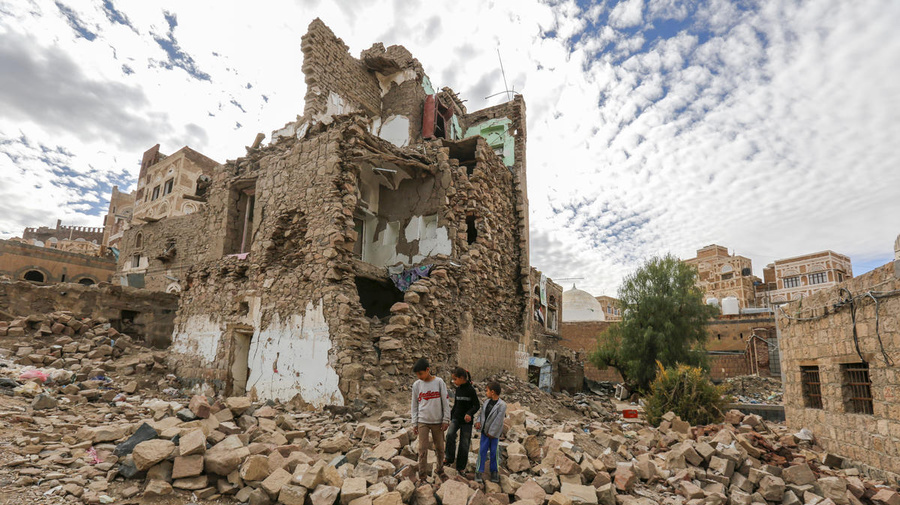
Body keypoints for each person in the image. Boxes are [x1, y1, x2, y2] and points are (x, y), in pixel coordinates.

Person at [410, 358, 450, 481]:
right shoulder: (417, 385)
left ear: (428, 370)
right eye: (417, 374)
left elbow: (445, 401)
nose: (419, 376)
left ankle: (440, 469)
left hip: (438, 421)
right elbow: (414, 405)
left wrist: (446, 419)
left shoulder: (439, 382)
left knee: (440, 447)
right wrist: (414, 422)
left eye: (421, 373)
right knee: (422, 449)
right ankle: (422, 475)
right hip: (423, 421)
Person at [445, 367, 480, 473]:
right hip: (456, 418)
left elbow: (477, 405)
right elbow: (456, 405)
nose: (454, 382)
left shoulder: (471, 390)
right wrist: (450, 417)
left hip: (467, 422)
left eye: (455, 379)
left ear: (462, 378)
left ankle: (460, 467)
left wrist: (469, 413)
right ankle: (449, 458)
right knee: (450, 435)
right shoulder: (458, 389)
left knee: (464, 444)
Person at [474, 381, 506, 483]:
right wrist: (478, 422)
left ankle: (494, 472)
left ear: (493, 392)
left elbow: (498, 420)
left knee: (494, 453)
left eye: (487, 391)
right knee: (482, 451)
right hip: (484, 433)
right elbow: (481, 414)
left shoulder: (501, 405)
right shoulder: (486, 402)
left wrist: (492, 432)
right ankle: (479, 471)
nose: (486, 393)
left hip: (494, 435)